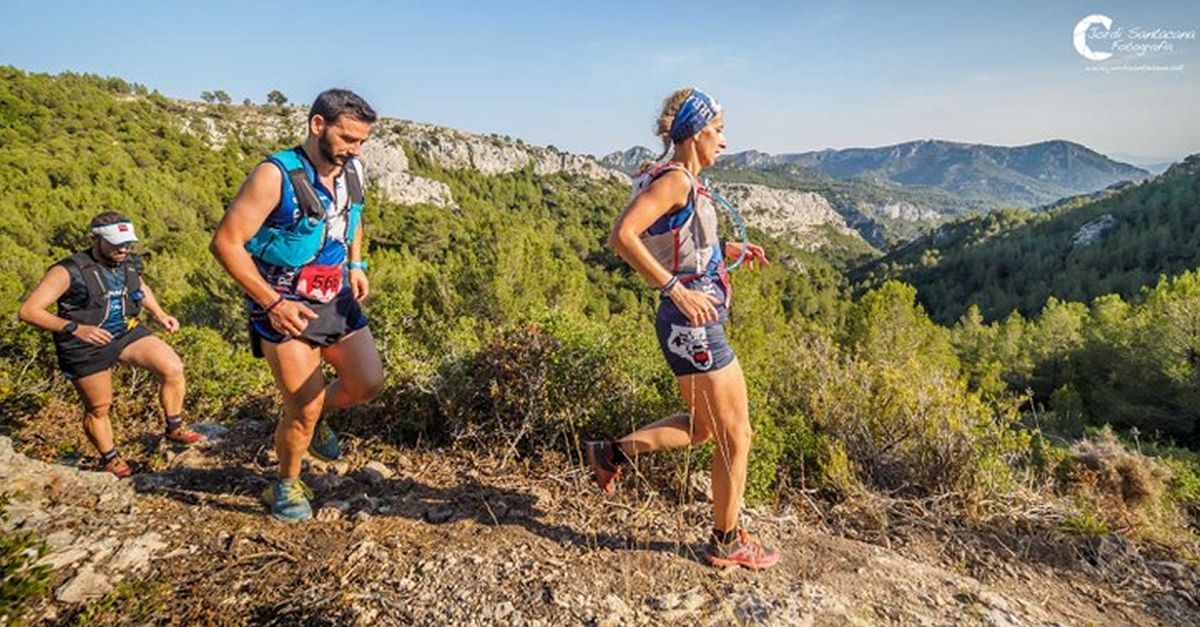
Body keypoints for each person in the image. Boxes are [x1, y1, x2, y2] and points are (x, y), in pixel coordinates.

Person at [586, 88, 780, 569]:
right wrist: (676, 289)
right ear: (695, 133)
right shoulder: (675, 180)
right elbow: (622, 236)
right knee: (738, 435)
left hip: (684, 325)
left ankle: (610, 454)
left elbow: (675, 239)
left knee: (703, 429)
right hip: (694, 326)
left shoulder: (681, 180)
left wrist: (727, 251)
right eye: (718, 131)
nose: (724, 141)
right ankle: (726, 541)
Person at [210, 89, 384, 522]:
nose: (355, 150)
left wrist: (356, 263)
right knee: (302, 405)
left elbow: (353, 216)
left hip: (335, 296)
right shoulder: (274, 176)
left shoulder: (352, 171)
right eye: (347, 139)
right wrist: (272, 303)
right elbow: (226, 244)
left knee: (367, 383)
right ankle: (285, 484)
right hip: (285, 301)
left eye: (362, 141)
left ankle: (315, 419)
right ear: (317, 125)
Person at [18, 212, 205, 477]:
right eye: (116, 243)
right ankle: (111, 458)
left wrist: (159, 313)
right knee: (99, 407)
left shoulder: (129, 262)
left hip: (125, 332)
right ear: (94, 238)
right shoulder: (68, 270)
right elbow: (29, 311)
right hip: (83, 343)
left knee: (172, 367)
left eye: (127, 243)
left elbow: (139, 285)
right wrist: (75, 328)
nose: (123, 249)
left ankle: (174, 428)